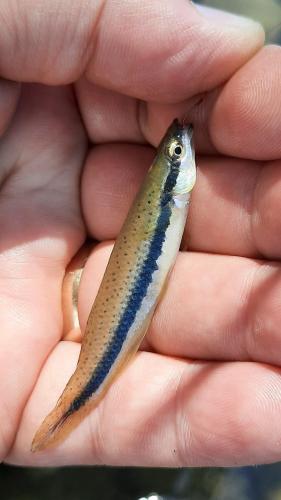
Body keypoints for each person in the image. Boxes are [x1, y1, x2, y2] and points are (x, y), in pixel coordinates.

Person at [0, 0, 279, 468]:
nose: (183, 149)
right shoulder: (170, 193)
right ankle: (67, 411)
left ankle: (67, 411)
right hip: (126, 300)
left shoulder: (173, 192)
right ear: (170, 176)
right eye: (177, 151)